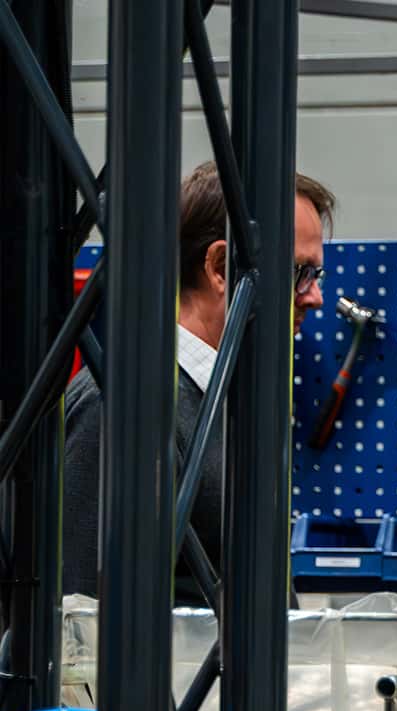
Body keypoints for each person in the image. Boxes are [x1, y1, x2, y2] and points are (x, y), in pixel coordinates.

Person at [62, 161, 334, 603]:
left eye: (315, 276)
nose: (315, 296)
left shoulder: (228, 402)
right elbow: (80, 627)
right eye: (300, 272)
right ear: (220, 268)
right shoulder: (121, 408)